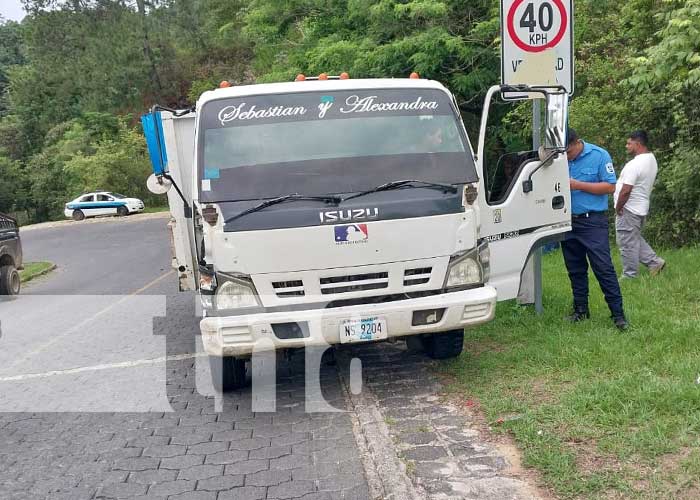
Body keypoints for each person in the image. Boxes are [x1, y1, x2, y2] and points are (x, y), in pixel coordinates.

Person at [562, 129, 628, 330]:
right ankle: (581, 310)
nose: (566, 156)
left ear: (576, 143)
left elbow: (610, 187)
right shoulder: (558, 159)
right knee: (575, 269)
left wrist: (577, 185)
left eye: (568, 152)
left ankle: (618, 315)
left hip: (592, 222)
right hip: (567, 222)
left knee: (603, 268)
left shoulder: (599, 155)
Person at [614, 130, 665, 278]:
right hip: (640, 207)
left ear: (638, 143)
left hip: (628, 209)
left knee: (626, 242)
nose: (627, 146)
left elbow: (626, 190)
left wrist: (618, 207)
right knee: (633, 239)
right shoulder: (651, 159)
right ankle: (655, 263)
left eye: (629, 143)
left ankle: (629, 275)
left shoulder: (635, 164)